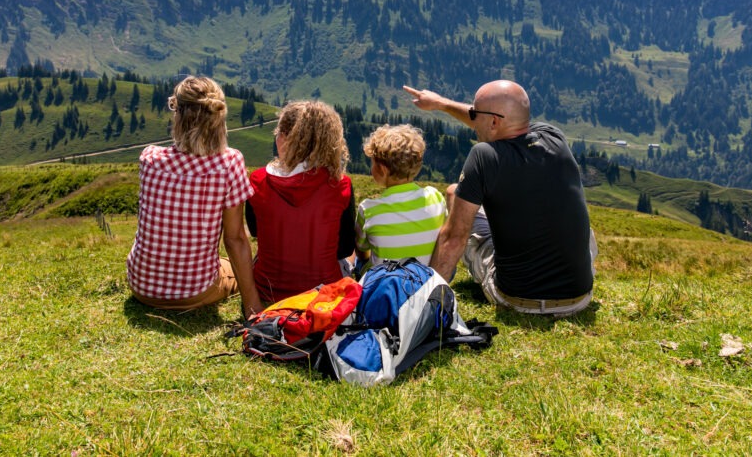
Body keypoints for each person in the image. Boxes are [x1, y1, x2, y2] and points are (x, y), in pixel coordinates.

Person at [403, 80, 597, 317]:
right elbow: (503, 121)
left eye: (475, 114)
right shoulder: (553, 136)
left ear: (494, 121)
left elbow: (454, 238)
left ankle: (431, 301)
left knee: (454, 194)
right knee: (582, 229)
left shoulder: (484, 156)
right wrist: (442, 104)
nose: (473, 121)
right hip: (578, 298)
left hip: (518, 299)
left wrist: (426, 305)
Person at [126, 76, 262, 318]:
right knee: (238, 269)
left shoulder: (149, 158)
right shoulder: (229, 163)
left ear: (178, 114)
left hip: (141, 286)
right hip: (195, 292)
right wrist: (253, 305)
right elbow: (235, 239)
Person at [246, 100, 356, 303]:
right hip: (323, 293)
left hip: (267, 292)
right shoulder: (341, 185)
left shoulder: (258, 180)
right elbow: (345, 248)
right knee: (352, 255)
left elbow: (255, 231)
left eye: (279, 133)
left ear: (284, 138)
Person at [354, 124, 446, 269]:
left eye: (372, 163)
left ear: (383, 169)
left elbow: (361, 248)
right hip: (429, 277)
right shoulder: (435, 197)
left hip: (386, 281)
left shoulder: (368, 209)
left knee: (359, 260)